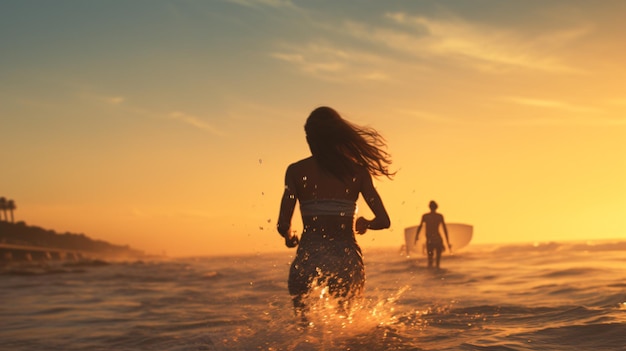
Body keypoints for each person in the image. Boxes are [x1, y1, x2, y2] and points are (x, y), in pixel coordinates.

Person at [277, 106, 393, 322]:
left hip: (308, 259)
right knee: (346, 331)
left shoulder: (295, 171)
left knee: (304, 331)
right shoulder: (357, 172)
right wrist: (366, 223)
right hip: (345, 259)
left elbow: (283, 224)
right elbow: (384, 221)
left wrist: (290, 237)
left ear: (310, 138)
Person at [415, 200, 451, 269]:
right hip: (438, 240)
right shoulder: (439, 216)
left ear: (429, 207)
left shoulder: (425, 216)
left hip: (430, 240)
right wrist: (447, 242)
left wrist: (416, 237)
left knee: (430, 261)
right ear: (436, 207)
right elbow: (445, 229)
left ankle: (431, 277)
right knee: (438, 262)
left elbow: (420, 227)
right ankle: (437, 275)